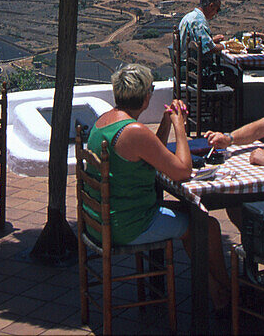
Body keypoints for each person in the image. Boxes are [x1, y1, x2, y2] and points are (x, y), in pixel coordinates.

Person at [87, 64, 229, 308]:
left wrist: (165, 121)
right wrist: (179, 125)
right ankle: (228, 290)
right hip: (128, 225)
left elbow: (153, 152)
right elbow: (183, 171)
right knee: (206, 226)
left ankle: (218, 293)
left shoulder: (105, 122)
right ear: (146, 97)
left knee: (196, 221)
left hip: (100, 221)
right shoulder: (133, 131)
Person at [177, 0, 239, 87]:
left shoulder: (189, 16)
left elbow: (197, 43)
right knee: (232, 75)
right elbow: (209, 49)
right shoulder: (199, 22)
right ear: (211, 6)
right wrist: (226, 45)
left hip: (185, 66)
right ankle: (222, 101)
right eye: (217, 10)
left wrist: (212, 40)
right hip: (197, 70)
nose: (216, 13)